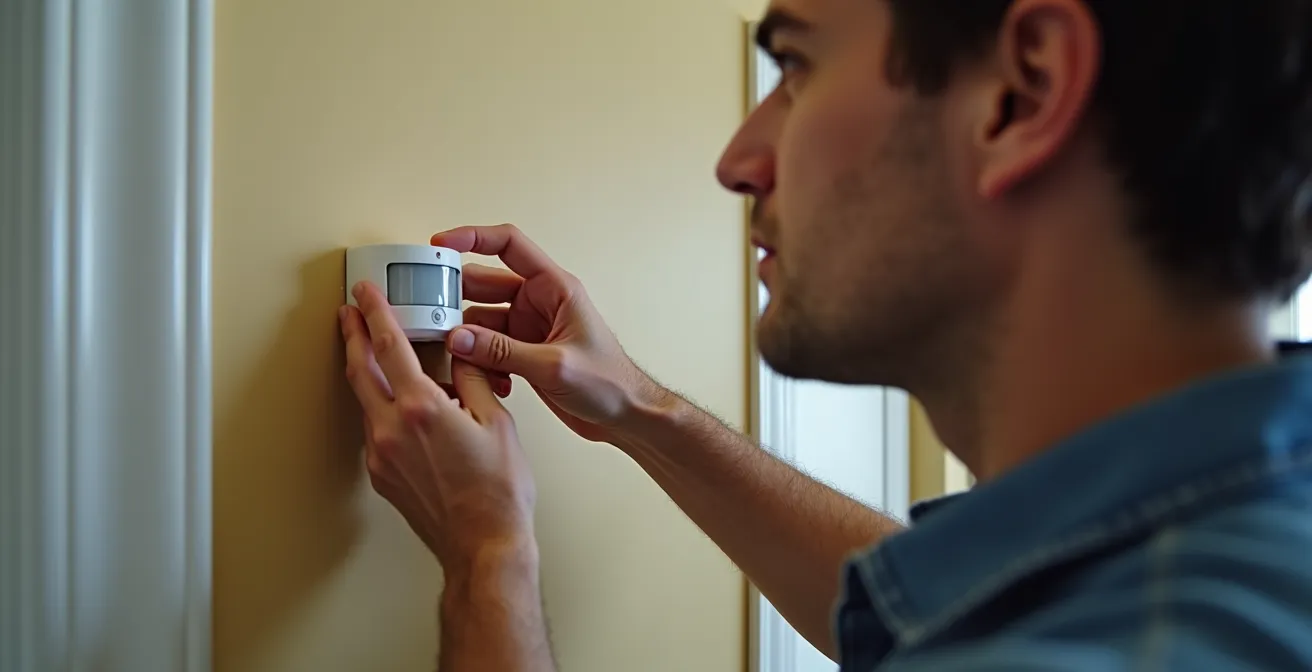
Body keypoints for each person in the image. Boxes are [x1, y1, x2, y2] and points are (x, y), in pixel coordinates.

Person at [337, 0, 1312, 669]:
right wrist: (642, 410)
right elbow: (921, 608)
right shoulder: (1237, 534)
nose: (736, 160)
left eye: (795, 64)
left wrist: (488, 553)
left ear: (1023, 92)